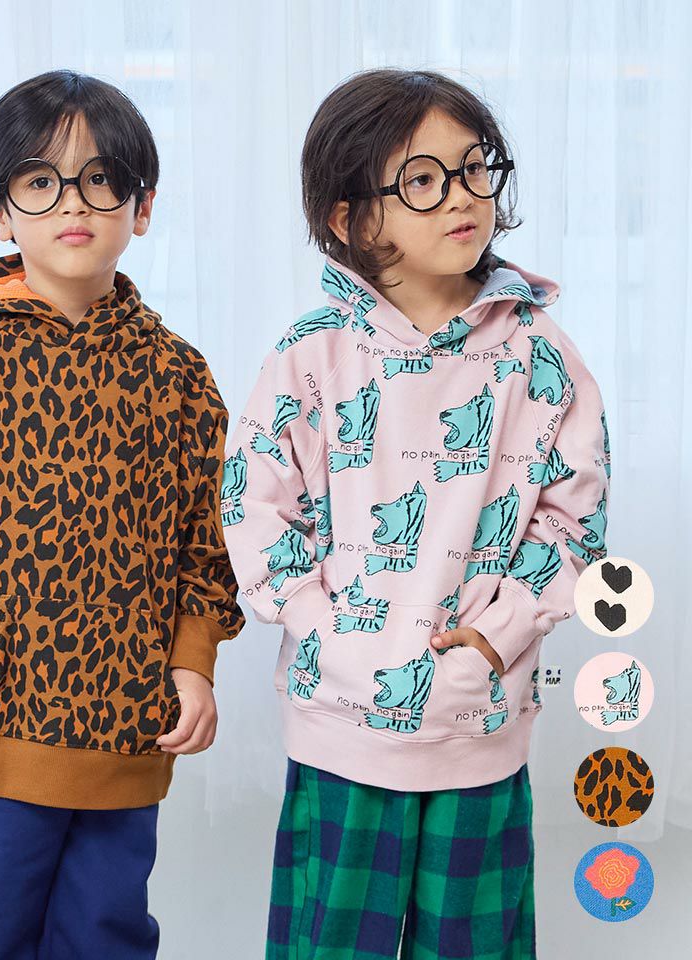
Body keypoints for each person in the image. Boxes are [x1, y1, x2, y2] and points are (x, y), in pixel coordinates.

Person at [221, 68, 611, 959]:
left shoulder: (541, 355)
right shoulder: (310, 356)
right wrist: (331, 635)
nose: (462, 196)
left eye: (474, 169)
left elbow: (573, 521)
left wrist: (495, 639)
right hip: (341, 725)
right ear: (351, 219)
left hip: (481, 720)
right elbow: (257, 510)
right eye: (422, 180)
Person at [0, 68, 245, 959]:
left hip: (127, 719)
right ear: (0, 211)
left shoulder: (178, 375)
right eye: (39, 181)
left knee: (106, 933)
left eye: (101, 178)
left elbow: (206, 542)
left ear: (142, 205)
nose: (73, 201)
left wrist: (194, 662)